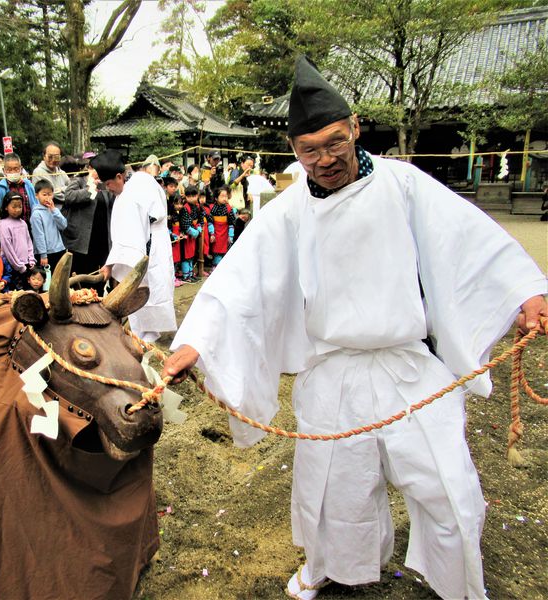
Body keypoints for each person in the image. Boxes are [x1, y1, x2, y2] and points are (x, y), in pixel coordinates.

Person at [161, 56, 548, 600]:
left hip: (407, 364)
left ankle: (458, 583)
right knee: (333, 491)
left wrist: (524, 291)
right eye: (309, 150)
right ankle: (328, 565)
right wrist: (195, 344)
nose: (325, 159)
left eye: (335, 142)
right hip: (334, 369)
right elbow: (239, 283)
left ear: (356, 128)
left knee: (447, 485)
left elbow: (467, 239)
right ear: (293, 150)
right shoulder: (287, 211)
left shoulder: (403, 184)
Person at [91, 150, 177, 343]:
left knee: (145, 286)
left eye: (108, 184)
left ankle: (147, 332)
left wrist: (110, 264)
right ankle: (148, 331)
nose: (108, 188)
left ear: (119, 177)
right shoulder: (140, 179)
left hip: (150, 243)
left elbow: (128, 237)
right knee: (153, 285)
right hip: (153, 240)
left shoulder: (130, 194)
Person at [61, 162, 114, 293]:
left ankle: (97, 297)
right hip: (82, 240)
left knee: (100, 276)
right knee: (81, 274)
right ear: (90, 168)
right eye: (97, 168)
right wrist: (90, 188)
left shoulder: (105, 184)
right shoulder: (79, 180)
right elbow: (68, 196)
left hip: (102, 239)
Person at [0, 192, 35, 288]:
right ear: (6, 207)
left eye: (20, 207)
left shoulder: (23, 223)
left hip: (26, 265)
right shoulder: (3, 224)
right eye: (14, 207)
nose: (17, 210)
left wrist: (31, 259)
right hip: (12, 267)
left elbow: (29, 242)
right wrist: (19, 266)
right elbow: (7, 249)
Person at [30, 179, 67, 272]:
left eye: (49, 194)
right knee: (48, 278)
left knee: (60, 276)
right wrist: (43, 255)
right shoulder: (36, 214)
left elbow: (63, 225)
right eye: (44, 194)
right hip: (46, 254)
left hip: (59, 249)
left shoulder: (54, 210)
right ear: (36, 195)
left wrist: (54, 210)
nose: (47, 197)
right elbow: (39, 236)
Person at [0, 153, 37, 224]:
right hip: (9, 228)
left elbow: (35, 205)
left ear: (21, 169)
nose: (13, 172)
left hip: (30, 226)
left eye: (16, 169)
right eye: (9, 170)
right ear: (4, 170)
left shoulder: (28, 185)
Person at [178, 186, 210, 282]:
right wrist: (193, 231)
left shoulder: (197, 206)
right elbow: (184, 223)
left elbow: (201, 218)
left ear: (197, 196)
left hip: (194, 234)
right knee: (186, 256)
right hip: (186, 235)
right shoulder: (184, 208)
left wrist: (199, 227)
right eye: (189, 196)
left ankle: (191, 274)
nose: (191, 198)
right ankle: (186, 276)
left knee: (192, 255)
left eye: (194, 196)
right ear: (186, 197)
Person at [208, 186, 236, 266]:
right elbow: (210, 222)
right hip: (215, 233)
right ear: (216, 198)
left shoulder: (229, 209)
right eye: (222, 196)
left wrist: (230, 236)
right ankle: (216, 266)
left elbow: (231, 223)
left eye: (226, 196)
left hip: (225, 233)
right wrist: (212, 233)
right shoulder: (211, 208)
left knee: (225, 251)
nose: (225, 198)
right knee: (216, 251)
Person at [167, 195, 185, 286]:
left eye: (181, 204)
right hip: (173, 241)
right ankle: (172, 278)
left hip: (177, 240)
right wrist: (174, 236)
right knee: (172, 258)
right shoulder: (170, 215)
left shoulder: (179, 214)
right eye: (177, 204)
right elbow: (168, 229)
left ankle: (175, 275)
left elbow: (180, 226)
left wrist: (181, 233)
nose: (179, 206)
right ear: (173, 204)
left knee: (177, 258)